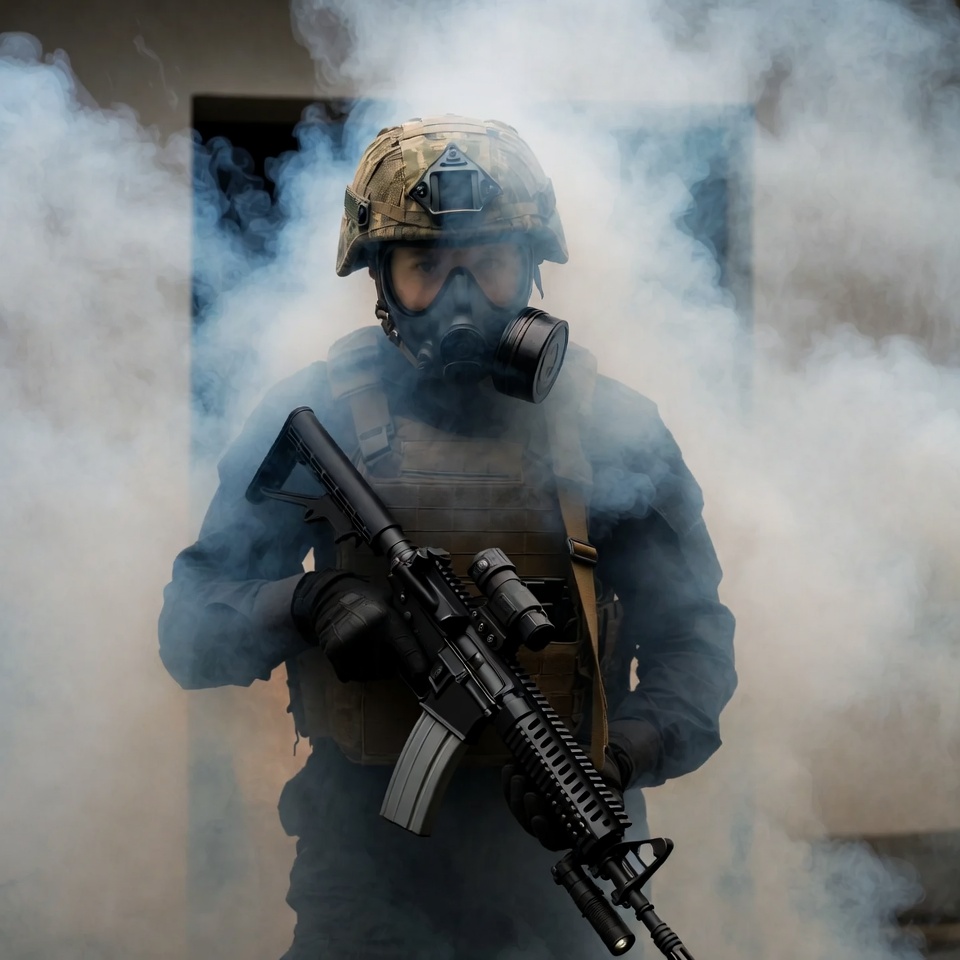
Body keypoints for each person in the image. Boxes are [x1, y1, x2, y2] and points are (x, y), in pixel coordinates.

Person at [159, 114, 737, 960]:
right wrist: (306, 603)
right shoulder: (317, 417)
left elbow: (695, 649)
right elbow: (188, 629)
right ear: (381, 280)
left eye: (489, 263)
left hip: (559, 855)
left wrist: (614, 762)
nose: (463, 298)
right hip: (365, 860)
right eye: (427, 267)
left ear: (531, 268)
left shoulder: (611, 428)